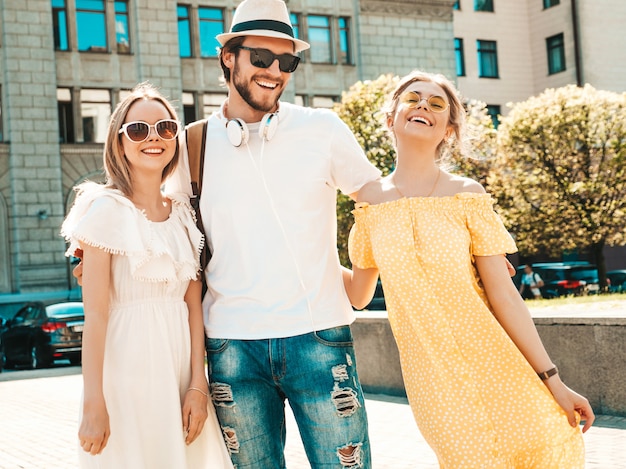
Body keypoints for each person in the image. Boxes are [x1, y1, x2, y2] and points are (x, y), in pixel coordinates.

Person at [165, 0, 380, 467]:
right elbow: (155, 217)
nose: (274, 71)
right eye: (261, 58)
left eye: (287, 62)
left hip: (319, 337)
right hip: (230, 348)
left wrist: (462, 236)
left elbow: (380, 200)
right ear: (228, 58)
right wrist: (92, 246)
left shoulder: (322, 129)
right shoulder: (191, 144)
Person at [343, 70, 595, 468]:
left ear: (448, 129)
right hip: (434, 385)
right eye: (412, 98)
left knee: (542, 452)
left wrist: (553, 380)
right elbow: (358, 295)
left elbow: (504, 295)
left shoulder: (467, 195)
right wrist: (308, 251)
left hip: (501, 367)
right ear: (391, 118)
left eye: (436, 103)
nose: (423, 105)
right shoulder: (369, 202)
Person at [61, 82, 233, 468]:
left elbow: (193, 307)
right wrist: (93, 402)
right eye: (138, 129)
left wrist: (197, 384)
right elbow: (97, 316)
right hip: (124, 376)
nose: (153, 138)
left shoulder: (185, 215)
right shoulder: (104, 209)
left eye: (165, 128)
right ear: (119, 142)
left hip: (178, 375)